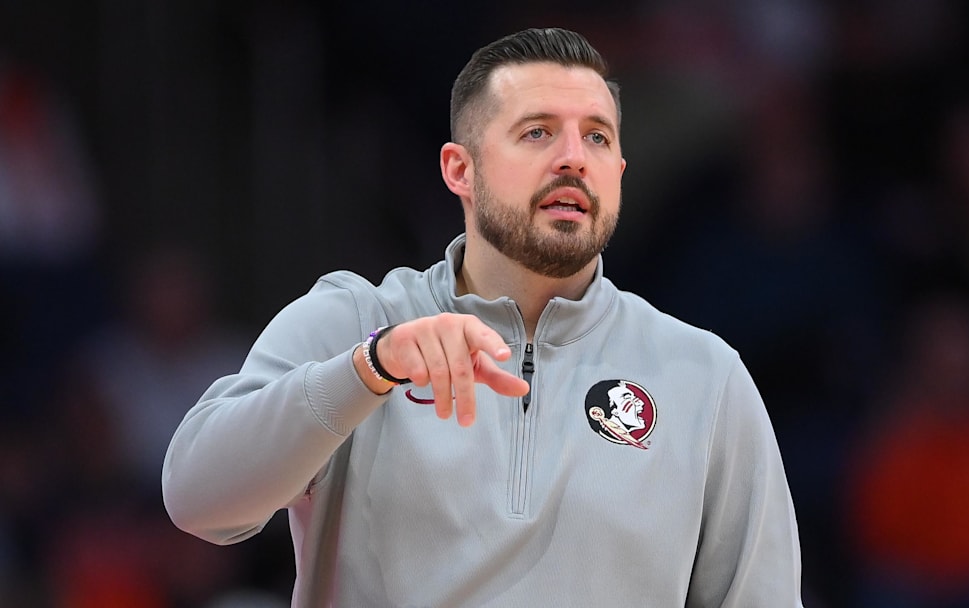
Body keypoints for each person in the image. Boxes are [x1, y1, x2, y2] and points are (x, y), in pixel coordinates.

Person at [163, 27, 803, 606]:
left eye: (598, 137)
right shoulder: (356, 319)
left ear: (618, 174)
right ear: (459, 169)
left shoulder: (704, 375)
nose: (574, 157)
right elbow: (197, 498)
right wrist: (370, 369)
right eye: (537, 132)